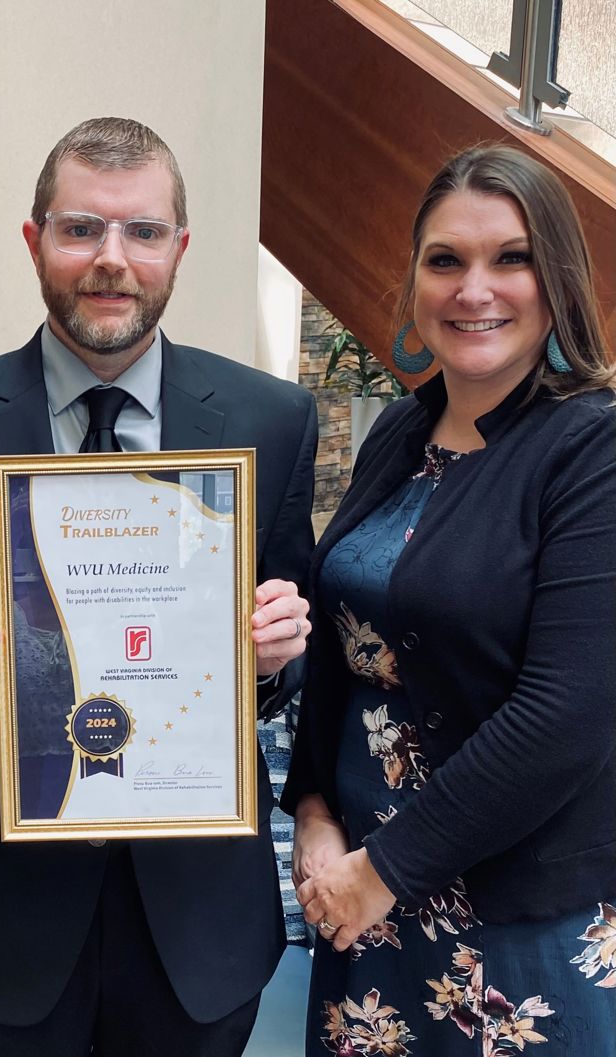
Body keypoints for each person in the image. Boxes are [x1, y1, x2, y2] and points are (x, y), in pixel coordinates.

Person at [0, 116, 318, 1055]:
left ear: (180, 249)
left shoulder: (270, 419)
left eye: (142, 232)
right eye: (81, 229)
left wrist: (279, 654)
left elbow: (287, 637)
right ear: (36, 240)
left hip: (194, 925)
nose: (111, 259)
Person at [283, 144, 616, 1055]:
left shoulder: (594, 449)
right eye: (446, 260)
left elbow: (568, 714)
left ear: (558, 283)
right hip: (361, 899)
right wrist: (312, 808)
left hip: (509, 914)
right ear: (414, 285)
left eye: (511, 258)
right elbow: (343, 650)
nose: (476, 289)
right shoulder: (401, 426)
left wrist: (381, 871)